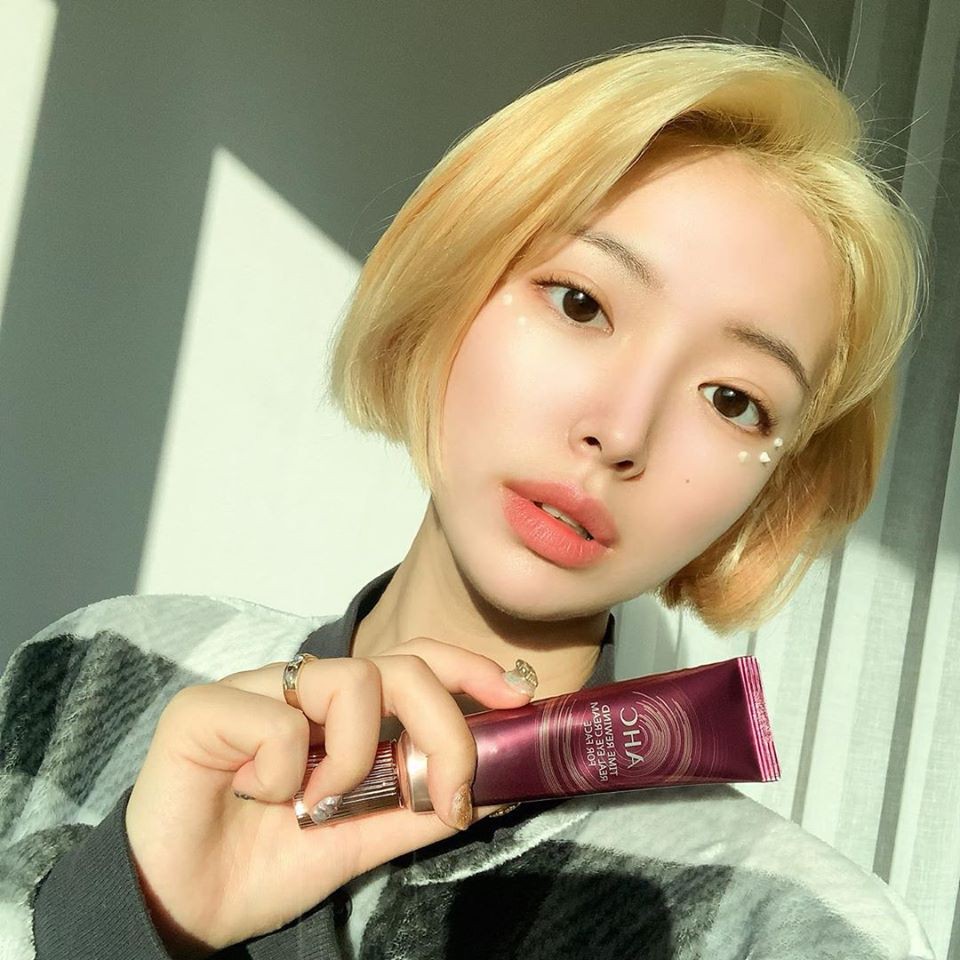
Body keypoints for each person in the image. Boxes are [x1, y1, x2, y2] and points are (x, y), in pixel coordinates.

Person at [0, 38, 934, 960]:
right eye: (580, 303)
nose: (621, 430)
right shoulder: (103, 669)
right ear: (452, 284)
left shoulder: (794, 929)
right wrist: (129, 921)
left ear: (773, 489)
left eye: (732, 399)